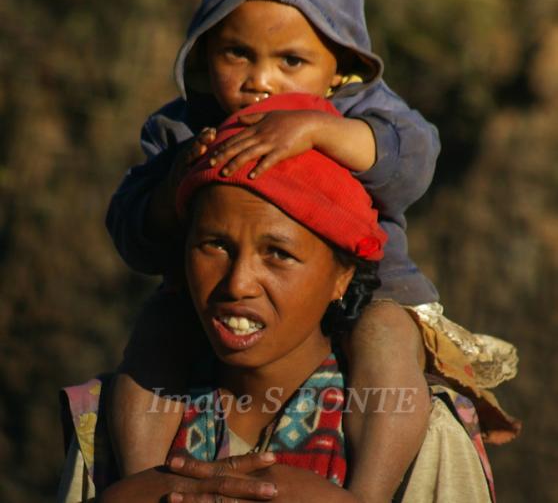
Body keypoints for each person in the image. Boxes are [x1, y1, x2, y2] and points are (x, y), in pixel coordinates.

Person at [105, 0, 518, 498]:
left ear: (341, 65)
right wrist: (175, 185)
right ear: (204, 53)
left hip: (379, 290)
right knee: (150, 342)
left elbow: (412, 161)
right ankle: (140, 484)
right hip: (198, 300)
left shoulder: (363, 109)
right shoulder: (179, 127)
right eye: (237, 54)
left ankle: (367, 492)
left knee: (386, 344)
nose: (261, 82)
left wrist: (322, 131)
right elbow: (130, 229)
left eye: (291, 62)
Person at [59, 93, 497, 502]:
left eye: (278, 254)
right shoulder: (105, 428)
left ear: (341, 277)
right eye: (214, 245)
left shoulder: (425, 434)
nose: (238, 283)